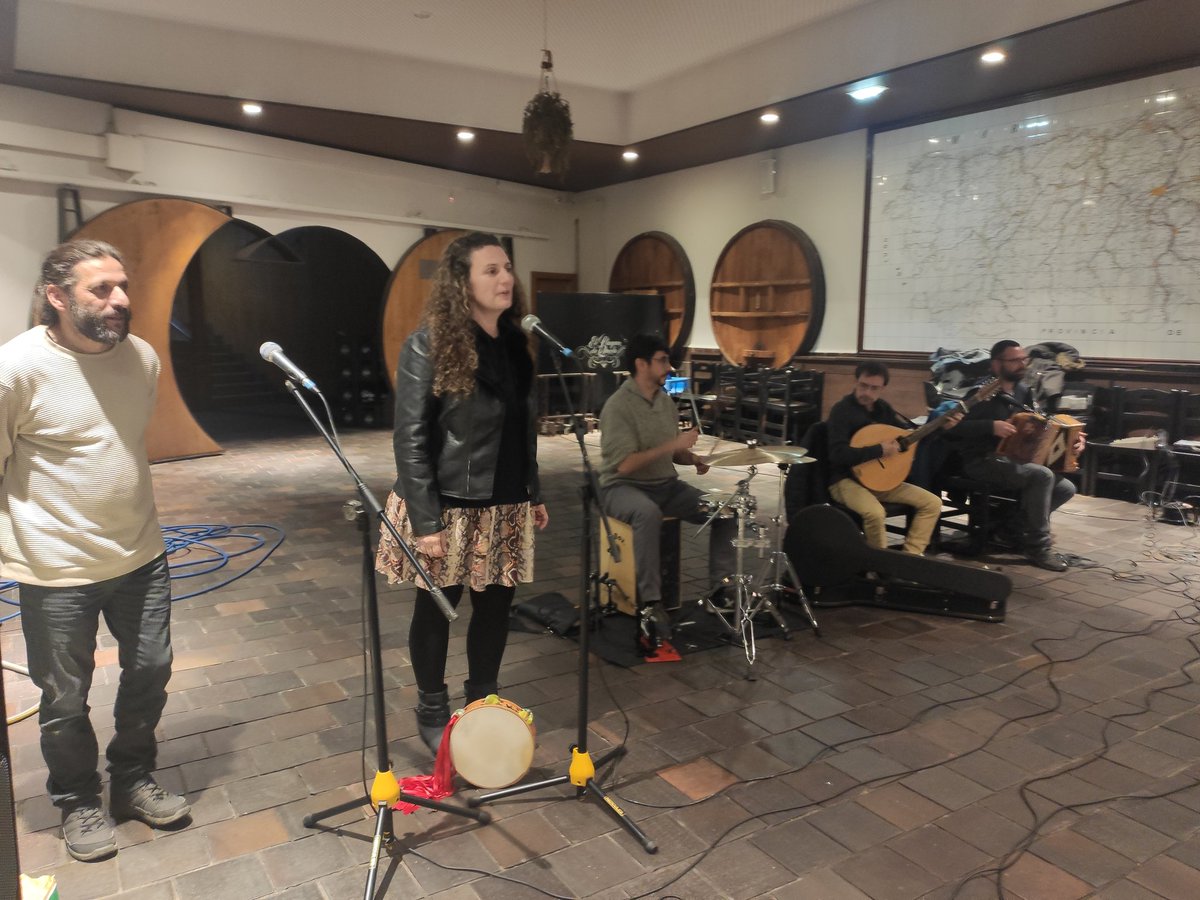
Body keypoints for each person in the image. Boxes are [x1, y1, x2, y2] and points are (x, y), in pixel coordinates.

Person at [1, 240, 189, 862]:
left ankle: (132, 779)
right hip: (54, 567)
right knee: (62, 697)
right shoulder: (16, 369)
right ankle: (78, 799)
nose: (120, 301)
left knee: (152, 672)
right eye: (100, 290)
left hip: (140, 554)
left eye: (122, 286)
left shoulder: (140, 358)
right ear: (57, 298)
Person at [376, 232, 548, 755]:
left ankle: (483, 702)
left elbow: (522, 427)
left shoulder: (516, 343)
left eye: (507, 269)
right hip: (448, 503)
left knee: (496, 609)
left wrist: (532, 490)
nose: (505, 279)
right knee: (437, 608)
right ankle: (432, 707)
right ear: (462, 282)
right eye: (491, 270)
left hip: (505, 501)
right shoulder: (427, 342)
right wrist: (425, 521)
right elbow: (411, 436)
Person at [598, 334, 735, 633]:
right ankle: (650, 602)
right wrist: (672, 443)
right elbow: (625, 464)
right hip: (622, 487)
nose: (669, 368)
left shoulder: (665, 403)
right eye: (662, 361)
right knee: (646, 513)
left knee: (725, 509)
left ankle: (720, 590)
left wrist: (692, 458)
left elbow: (672, 453)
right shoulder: (618, 406)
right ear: (640, 364)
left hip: (665, 486)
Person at [949, 340, 1085, 572]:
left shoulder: (1023, 391)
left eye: (1024, 359)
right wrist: (990, 426)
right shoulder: (981, 393)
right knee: (1041, 476)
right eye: (1015, 360)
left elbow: (1040, 426)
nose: (1022, 364)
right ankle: (1037, 547)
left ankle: (1011, 529)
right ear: (996, 364)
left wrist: (1072, 439)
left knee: (1066, 488)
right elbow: (954, 427)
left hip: (1012, 459)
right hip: (981, 459)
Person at [826, 361, 960, 555]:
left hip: (879, 481)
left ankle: (909, 559)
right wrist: (879, 450)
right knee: (875, 513)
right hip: (845, 481)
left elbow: (907, 440)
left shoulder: (883, 409)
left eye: (874, 388)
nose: (868, 393)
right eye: (864, 385)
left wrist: (941, 427)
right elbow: (837, 454)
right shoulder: (841, 410)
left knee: (932, 503)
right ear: (856, 381)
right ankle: (881, 568)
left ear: (883, 388)